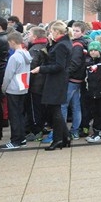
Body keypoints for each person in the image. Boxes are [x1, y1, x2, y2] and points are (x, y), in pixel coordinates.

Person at [31, 21, 72, 150]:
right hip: (58, 80)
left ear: (57, 32)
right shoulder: (62, 43)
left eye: (52, 31)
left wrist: (41, 69)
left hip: (56, 80)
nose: (50, 33)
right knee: (55, 109)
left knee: (55, 110)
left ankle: (58, 139)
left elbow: (59, 65)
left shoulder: (61, 45)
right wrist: (51, 43)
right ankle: (65, 137)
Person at [0, 32, 31, 149]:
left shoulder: (14, 57)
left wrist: (3, 87)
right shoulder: (26, 54)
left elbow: (8, 75)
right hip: (23, 87)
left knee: (14, 115)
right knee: (20, 114)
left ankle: (15, 140)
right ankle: (22, 138)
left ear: (12, 42)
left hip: (13, 88)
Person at [83, 41, 101, 143]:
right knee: (95, 112)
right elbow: (87, 77)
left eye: (95, 50)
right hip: (92, 92)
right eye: (91, 50)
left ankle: (100, 132)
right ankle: (97, 131)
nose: (93, 52)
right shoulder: (89, 63)